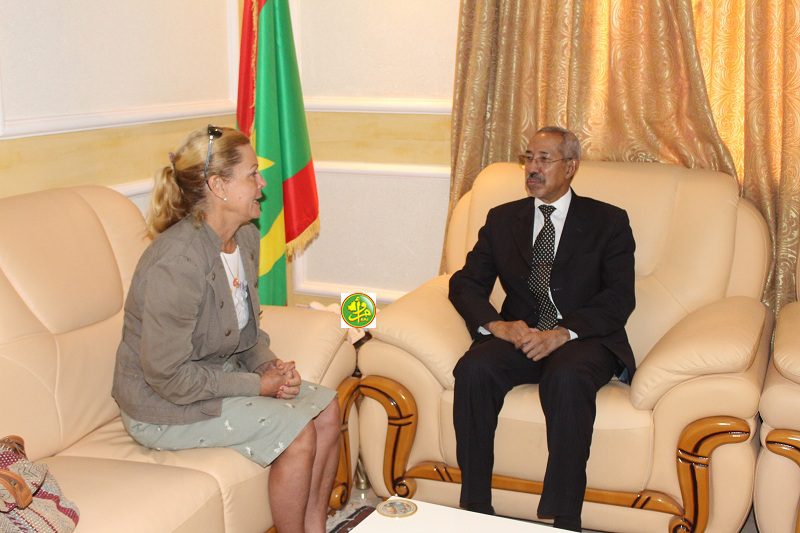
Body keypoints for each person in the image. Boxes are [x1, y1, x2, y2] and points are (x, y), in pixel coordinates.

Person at [112, 125, 339, 533]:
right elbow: (168, 377)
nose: (262, 183)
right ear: (218, 186)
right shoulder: (177, 263)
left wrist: (270, 367)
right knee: (298, 432)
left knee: (327, 409)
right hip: (162, 405)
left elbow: (246, 334)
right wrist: (258, 386)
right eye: (252, 174)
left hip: (213, 381)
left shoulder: (245, 238)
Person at [449, 126, 636, 531]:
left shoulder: (608, 221)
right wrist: (496, 325)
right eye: (528, 158)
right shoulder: (503, 219)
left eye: (544, 159)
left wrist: (563, 333)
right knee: (474, 369)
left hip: (582, 338)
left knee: (566, 377)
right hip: (522, 335)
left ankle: (565, 518)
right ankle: (475, 506)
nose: (532, 168)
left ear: (570, 167)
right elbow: (465, 284)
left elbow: (619, 298)